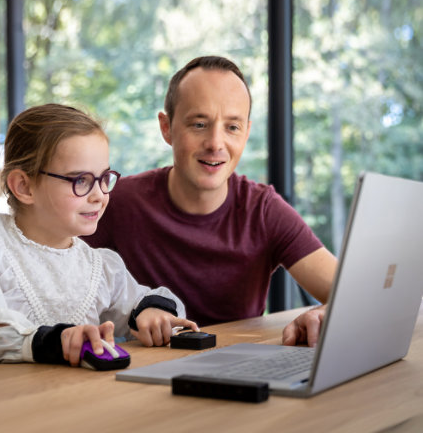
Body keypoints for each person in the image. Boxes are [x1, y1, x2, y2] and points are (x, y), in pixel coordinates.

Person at [83, 56, 337, 347]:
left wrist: (322, 314)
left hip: (238, 372)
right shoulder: (118, 202)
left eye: (232, 127)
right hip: (138, 376)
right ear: (166, 128)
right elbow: (53, 279)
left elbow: (352, 293)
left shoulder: (263, 210)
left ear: (246, 133)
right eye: (200, 124)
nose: (216, 143)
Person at [0, 103, 198, 370]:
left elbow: (141, 300)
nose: (100, 195)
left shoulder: (101, 266)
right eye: (81, 181)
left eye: (104, 178)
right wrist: (51, 341)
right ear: (24, 186)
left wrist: (151, 313)